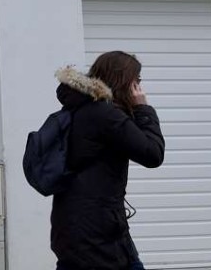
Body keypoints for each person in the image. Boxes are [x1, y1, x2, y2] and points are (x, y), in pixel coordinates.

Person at [51, 51, 165, 270]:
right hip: (96, 231)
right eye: (136, 80)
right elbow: (152, 154)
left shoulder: (81, 108)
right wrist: (143, 108)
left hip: (79, 224)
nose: (139, 87)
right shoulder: (105, 115)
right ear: (124, 80)